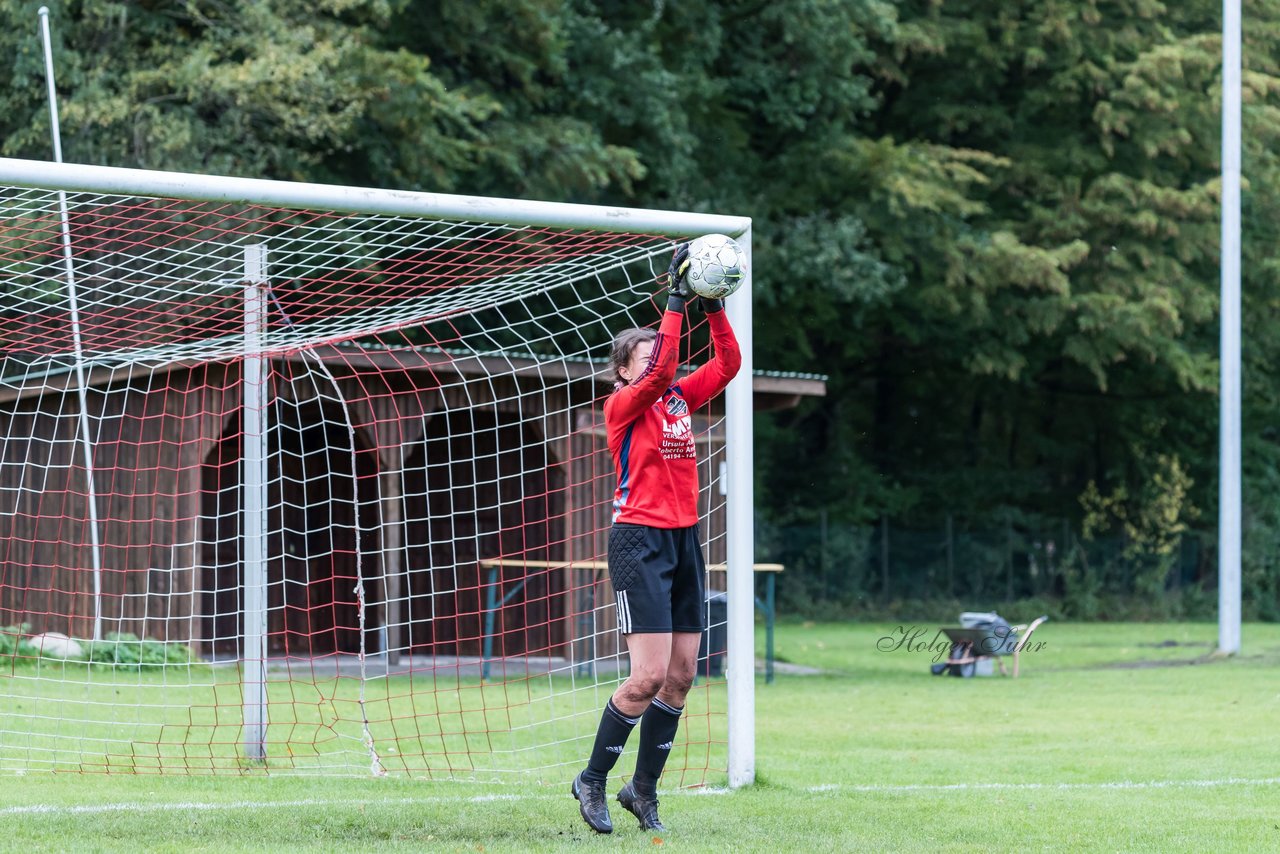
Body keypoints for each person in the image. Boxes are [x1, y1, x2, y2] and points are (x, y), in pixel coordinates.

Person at [571, 242, 742, 834]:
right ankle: (590, 780)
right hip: (637, 542)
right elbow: (666, 366)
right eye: (641, 358)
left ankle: (641, 791)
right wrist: (675, 298)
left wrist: (713, 305)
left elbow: (726, 367)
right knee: (645, 677)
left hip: (683, 542)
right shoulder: (624, 402)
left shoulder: (676, 399)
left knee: (682, 676)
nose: (654, 365)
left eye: (655, 356)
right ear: (624, 371)